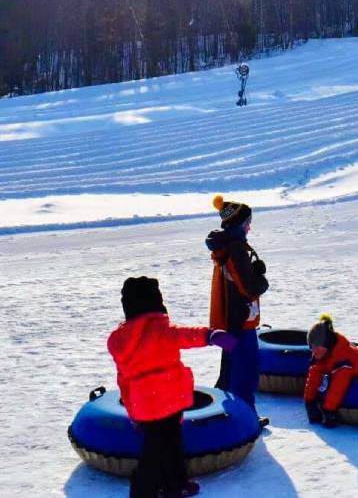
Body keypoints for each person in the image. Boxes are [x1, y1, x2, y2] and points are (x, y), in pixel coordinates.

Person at [109, 276, 237, 498]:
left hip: (146, 406)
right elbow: (188, 335)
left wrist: (132, 411)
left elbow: (123, 380)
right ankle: (150, 490)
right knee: (163, 449)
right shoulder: (162, 331)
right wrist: (211, 335)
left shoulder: (120, 340)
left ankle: (175, 485)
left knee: (161, 446)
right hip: (168, 401)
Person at [206, 196, 269, 415]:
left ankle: (222, 413)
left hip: (231, 318)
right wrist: (261, 278)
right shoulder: (236, 249)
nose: (250, 226)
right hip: (240, 319)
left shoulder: (227, 247)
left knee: (231, 369)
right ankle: (245, 418)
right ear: (240, 224)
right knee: (245, 371)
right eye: (248, 222)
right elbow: (249, 287)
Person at [303, 315, 358, 429]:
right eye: (311, 347)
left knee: (341, 380)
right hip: (351, 370)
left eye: (316, 347)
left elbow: (338, 386)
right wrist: (309, 402)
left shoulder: (342, 360)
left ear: (326, 344)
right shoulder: (322, 353)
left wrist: (328, 410)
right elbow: (314, 375)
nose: (313, 351)